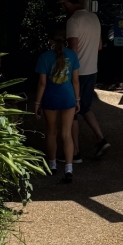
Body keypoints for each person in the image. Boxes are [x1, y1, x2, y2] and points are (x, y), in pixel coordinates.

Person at [58, 0, 111, 161]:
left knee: (70, 110)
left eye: (62, 5)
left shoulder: (73, 21)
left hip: (77, 73)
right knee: (85, 107)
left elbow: (73, 48)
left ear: (67, 4)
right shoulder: (93, 18)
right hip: (92, 70)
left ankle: (75, 152)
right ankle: (101, 139)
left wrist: (63, 68)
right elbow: (99, 47)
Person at [34, 28, 80, 183]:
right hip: (68, 98)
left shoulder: (44, 57)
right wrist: (77, 99)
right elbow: (75, 81)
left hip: (50, 98)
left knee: (52, 132)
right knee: (66, 134)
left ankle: (52, 165)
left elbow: (42, 83)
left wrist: (37, 103)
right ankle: (68, 169)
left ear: (50, 41)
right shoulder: (72, 55)